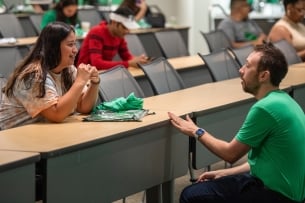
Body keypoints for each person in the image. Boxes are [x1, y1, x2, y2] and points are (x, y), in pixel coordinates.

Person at [168, 42, 305, 203]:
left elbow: (230, 154)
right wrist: (226, 172)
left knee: (191, 196)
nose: (241, 70)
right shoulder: (285, 100)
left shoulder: (265, 108)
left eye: (247, 66)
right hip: (291, 192)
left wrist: (196, 131)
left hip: (278, 196)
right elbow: (262, 161)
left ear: (263, 76)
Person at [0, 22, 99, 131]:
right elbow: (56, 114)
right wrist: (80, 82)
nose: (75, 50)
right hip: (12, 137)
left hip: (39, 134)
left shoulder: (68, 69)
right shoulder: (34, 75)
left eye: (75, 44)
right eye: (70, 45)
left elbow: (83, 107)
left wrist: (94, 84)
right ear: (54, 47)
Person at [76, 7, 149, 70]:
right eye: (124, 27)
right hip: (84, 74)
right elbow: (97, 63)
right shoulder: (96, 32)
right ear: (114, 22)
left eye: (128, 28)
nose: (127, 31)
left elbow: (127, 57)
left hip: (101, 73)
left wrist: (139, 60)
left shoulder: (119, 35)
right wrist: (128, 63)